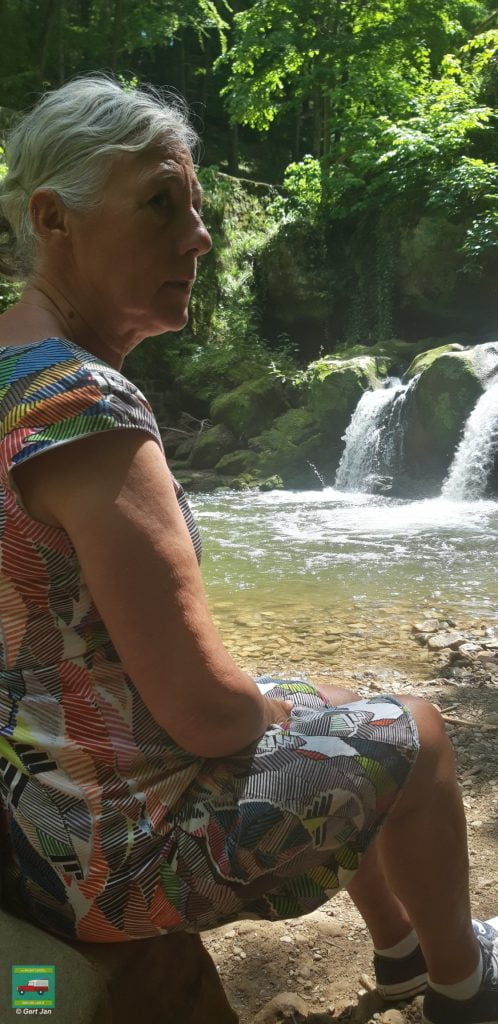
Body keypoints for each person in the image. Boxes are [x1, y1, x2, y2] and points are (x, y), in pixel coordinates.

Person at [0, 75, 495, 1024]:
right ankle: (465, 988)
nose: (198, 237)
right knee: (423, 735)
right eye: (161, 204)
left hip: (32, 820)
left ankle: (399, 954)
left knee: (337, 702)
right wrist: (264, 707)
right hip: (108, 856)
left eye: (195, 207)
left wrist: (289, 704)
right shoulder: (80, 405)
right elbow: (205, 715)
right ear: (54, 219)